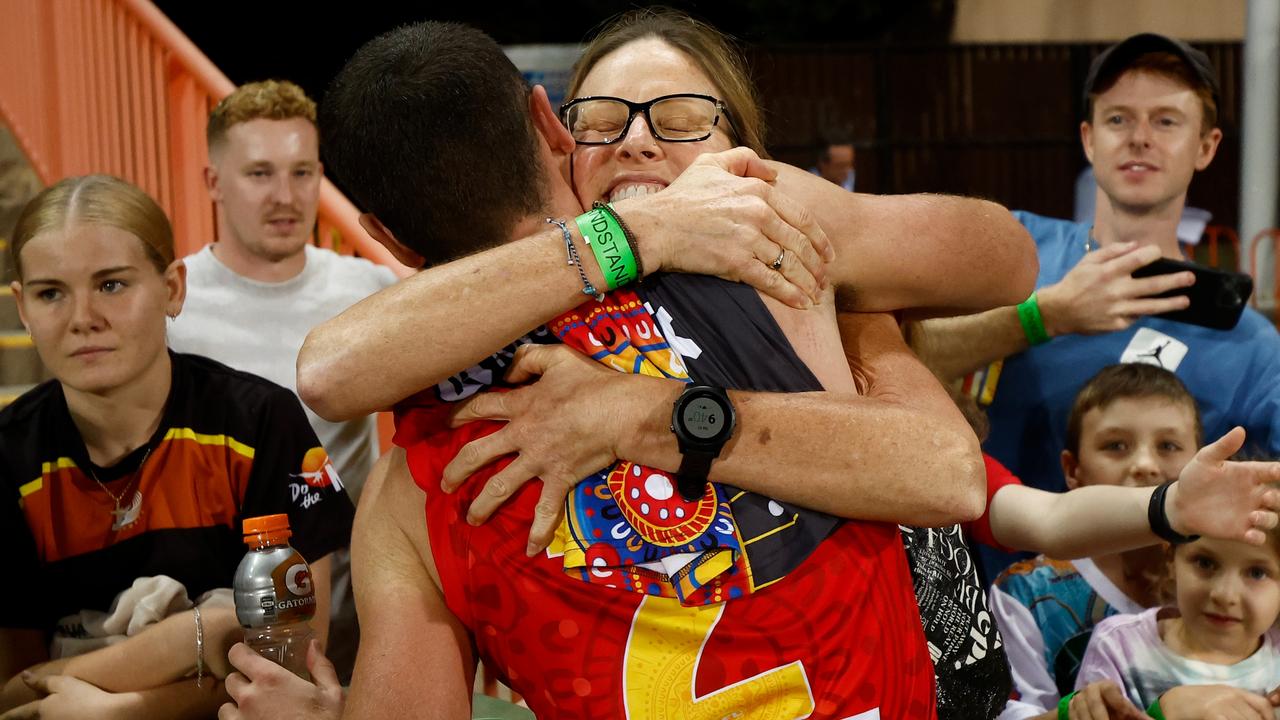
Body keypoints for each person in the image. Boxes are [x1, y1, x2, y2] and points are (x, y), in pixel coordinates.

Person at [0, 175, 353, 719]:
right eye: (51, 293)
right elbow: (16, 695)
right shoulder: (9, 458)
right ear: (22, 308)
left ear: (172, 289)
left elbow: (294, 666)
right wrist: (203, 635)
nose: (82, 319)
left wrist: (121, 710)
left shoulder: (261, 422)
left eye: (112, 285)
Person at [911, 34, 1280, 553]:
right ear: (1088, 140)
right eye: (1118, 119)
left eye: (1166, 120)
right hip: (991, 596)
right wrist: (1042, 317)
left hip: (1150, 620)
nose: (1140, 138)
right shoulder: (1014, 250)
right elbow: (902, 355)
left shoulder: (1250, 344)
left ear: (1206, 146)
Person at [166, 79, 394, 681]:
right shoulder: (171, 304)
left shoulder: (367, 291)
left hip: (354, 619)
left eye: (301, 172)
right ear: (214, 182)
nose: (285, 196)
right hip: (209, 612)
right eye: (259, 174)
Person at [989, 363, 1279, 719]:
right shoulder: (1025, 594)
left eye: (1168, 445)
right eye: (1116, 446)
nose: (1144, 464)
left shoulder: (1248, 546)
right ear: (1072, 470)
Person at [1072, 527, 1280, 719]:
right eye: (1205, 563)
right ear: (1172, 562)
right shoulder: (1116, 647)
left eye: (1256, 573)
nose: (1225, 595)